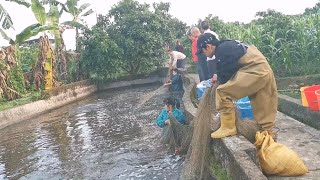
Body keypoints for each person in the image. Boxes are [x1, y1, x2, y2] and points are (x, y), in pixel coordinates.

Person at [196, 33, 278, 139]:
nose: (204, 54)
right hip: (264, 70)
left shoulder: (221, 50)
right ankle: (269, 137)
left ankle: (228, 127)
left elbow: (225, 78)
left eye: (203, 52)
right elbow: (230, 67)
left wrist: (218, 79)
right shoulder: (226, 45)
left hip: (255, 70)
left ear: (208, 46)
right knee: (263, 104)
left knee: (222, 92)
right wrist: (219, 75)